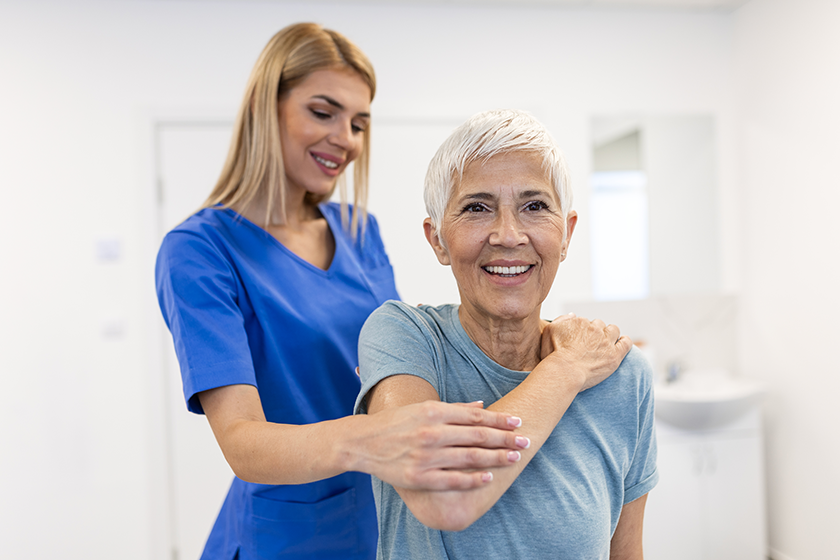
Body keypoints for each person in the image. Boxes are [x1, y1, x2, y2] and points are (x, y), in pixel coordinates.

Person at [155, 24, 529, 560]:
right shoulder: (200, 250)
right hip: (285, 536)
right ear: (268, 108)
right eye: (323, 112)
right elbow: (242, 441)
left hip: (383, 520)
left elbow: (400, 354)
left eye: (358, 123)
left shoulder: (359, 229)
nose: (347, 139)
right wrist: (378, 438)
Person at [355, 109, 659, 559]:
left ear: (567, 234)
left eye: (534, 206)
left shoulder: (621, 375)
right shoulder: (404, 337)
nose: (508, 235)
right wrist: (567, 368)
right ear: (437, 239)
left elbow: (626, 550)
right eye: (477, 207)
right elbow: (442, 494)